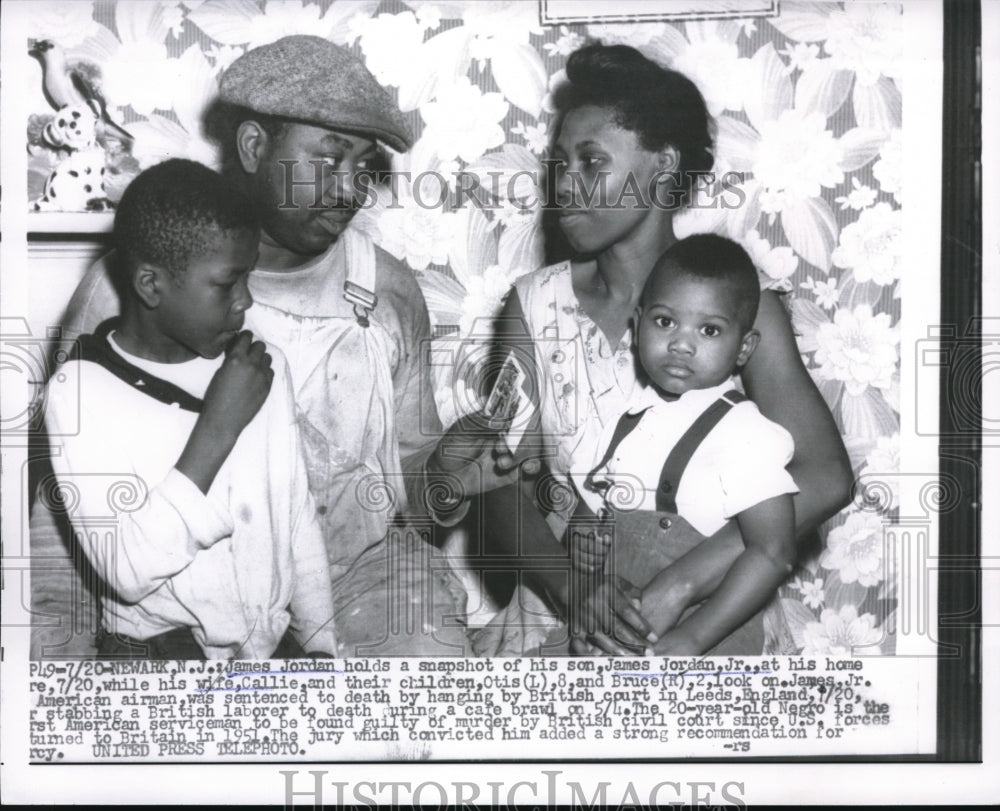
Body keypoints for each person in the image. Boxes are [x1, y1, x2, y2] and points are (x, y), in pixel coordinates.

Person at [33, 36, 474, 657]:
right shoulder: (124, 293)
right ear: (252, 146)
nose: (351, 189)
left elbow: (413, 503)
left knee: (430, 716)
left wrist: (452, 474)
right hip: (177, 601)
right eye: (329, 158)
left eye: (363, 167)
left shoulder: (388, 291)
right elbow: (63, 530)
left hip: (359, 578)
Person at [472, 43, 852, 657]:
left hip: (707, 622)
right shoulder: (532, 304)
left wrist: (682, 582)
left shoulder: (736, 306)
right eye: (560, 163)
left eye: (593, 162)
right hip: (562, 613)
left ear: (664, 166)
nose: (566, 186)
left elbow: (825, 475)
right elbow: (497, 482)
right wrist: (577, 592)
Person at [43, 159, 337, 659]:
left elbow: (296, 520)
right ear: (151, 285)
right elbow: (126, 572)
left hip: (266, 653)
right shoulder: (77, 393)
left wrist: (323, 645)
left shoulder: (261, 366)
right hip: (156, 660)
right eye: (227, 283)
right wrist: (218, 426)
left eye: (248, 277)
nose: (245, 301)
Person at [568, 234, 799, 655]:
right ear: (637, 328)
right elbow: (585, 526)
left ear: (744, 347)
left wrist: (692, 638)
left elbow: (774, 551)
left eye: (709, 330)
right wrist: (592, 582)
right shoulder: (625, 422)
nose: (681, 343)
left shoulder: (746, 433)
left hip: (709, 641)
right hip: (619, 636)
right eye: (664, 322)